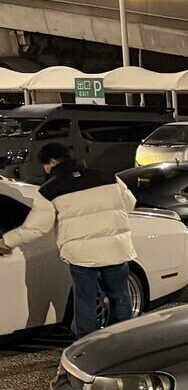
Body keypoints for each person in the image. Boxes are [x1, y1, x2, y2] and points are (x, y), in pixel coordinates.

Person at [0, 142, 139, 337]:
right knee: (120, 297)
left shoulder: (50, 190)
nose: (45, 170)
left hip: (82, 255)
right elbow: (130, 204)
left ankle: (84, 348)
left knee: (85, 301)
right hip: (116, 248)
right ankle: (124, 342)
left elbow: (36, 228)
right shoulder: (109, 177)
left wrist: (7, 241)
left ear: (53, 162)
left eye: (45, 166)